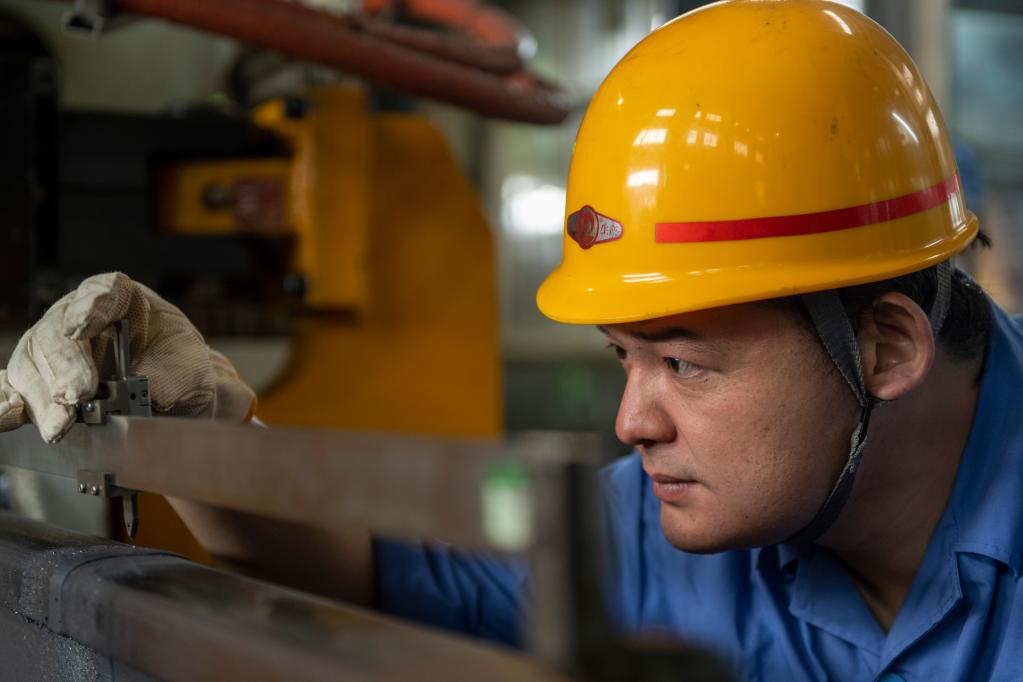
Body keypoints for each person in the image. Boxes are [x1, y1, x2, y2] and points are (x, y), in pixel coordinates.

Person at [1, 1, 1020, 679]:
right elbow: (371, 570)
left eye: (684, 360)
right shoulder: (666, 524)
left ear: (886, 347)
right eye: (623, 357)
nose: (632, 422)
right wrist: (205, 422)